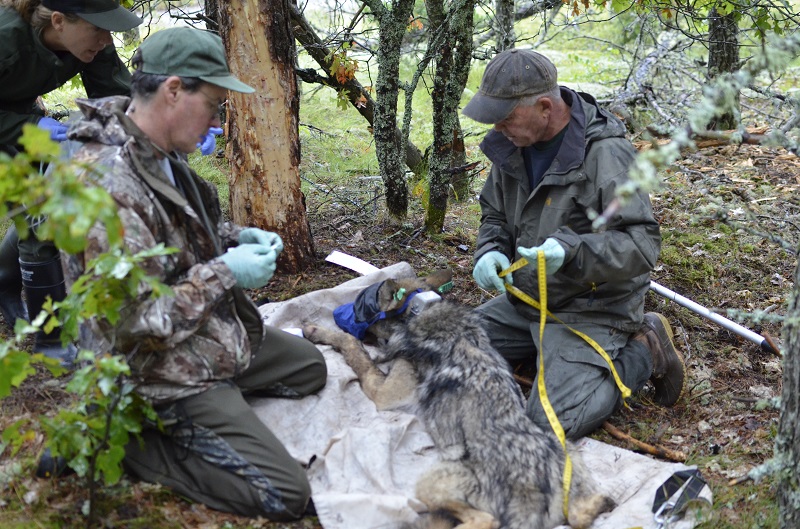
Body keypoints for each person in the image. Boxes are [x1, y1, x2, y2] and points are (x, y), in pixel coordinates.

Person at [59, 27, 327, 519]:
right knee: (284, 494)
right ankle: (134, 443)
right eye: (215, 105)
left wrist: (233, 237)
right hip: (150, 369)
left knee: (310, 368)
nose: (218, 121)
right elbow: (134, 324)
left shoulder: (156, 150)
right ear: (174, 90)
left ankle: (219, 401)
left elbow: (174, 231)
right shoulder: (104, 186)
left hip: (198, 332)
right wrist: (225, 272)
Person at [463, 49, 685, 440]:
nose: (498, 128)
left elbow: (642, 244)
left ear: (545, 107)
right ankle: (547, 353)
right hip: (529, 299)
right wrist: (490, 249)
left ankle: (643, 351)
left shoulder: (607, 155)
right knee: (446, 351)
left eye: (506, 117)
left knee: (548, 425)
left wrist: (572, 253)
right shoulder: (512, 143)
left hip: (593, 308)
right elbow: (494, 215)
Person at [0, 0, 141, 363]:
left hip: (14, 113)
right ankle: (52, 340)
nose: (107, 40)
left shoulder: (92, 46)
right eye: (98, 29)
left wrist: (157, 122)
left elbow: (115, 94)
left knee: (49, 204)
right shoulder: (5, 38)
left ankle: (4, 276)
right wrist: (28, 128)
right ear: (59, 21)